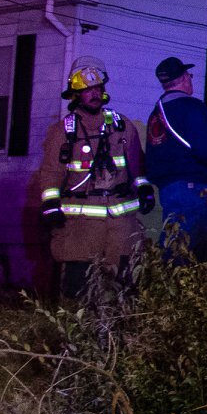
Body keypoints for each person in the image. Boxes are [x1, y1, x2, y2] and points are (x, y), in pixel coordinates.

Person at [33, 58, 153, 299]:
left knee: (125, 291)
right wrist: (50, 205)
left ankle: (120, 336)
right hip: (81, 230)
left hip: (121, 229)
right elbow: (51, 172)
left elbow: (137, 164)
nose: (94, 94)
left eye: (98, 88)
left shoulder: (121, 125)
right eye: (88, 90)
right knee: (79, 294)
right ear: (76, 94)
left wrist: (144, 188)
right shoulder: (63, 131)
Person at [144, 56, 207, 262]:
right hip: (195, 189)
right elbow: (205, 149)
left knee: (174, 243)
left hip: (169, 189)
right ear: (184, 77)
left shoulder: (156, 114)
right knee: (195, 251)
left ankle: (164, 288)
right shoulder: (192, 107)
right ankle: (188, 292)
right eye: (189, 75)